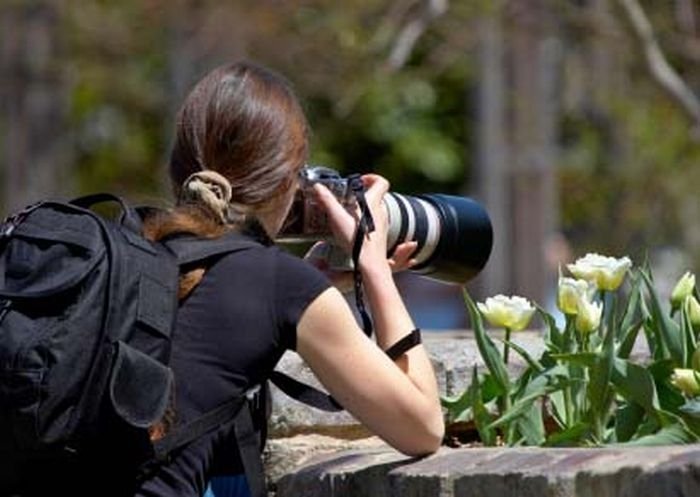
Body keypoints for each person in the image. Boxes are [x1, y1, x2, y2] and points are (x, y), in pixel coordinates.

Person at [33, 60, 443, 497]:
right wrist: (373, 265)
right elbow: (422, 428)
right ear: (289, 180)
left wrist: (305, 283)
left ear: (179, 168)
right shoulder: (278, 285)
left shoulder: (130, 249)